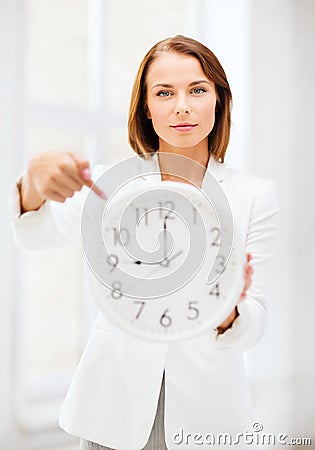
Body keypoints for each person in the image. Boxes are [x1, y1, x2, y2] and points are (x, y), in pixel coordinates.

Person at [11, 35, 278, 449]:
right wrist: (33, 181)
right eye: (165, 92)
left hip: (207, 420)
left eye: (198, 90)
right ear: (146, 108)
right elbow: (39, 233)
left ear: (219, 101)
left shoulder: (254, 195)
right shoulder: (108, 184)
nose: (182, 106)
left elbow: (255, 322)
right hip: (112, 409)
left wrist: (228, 310)